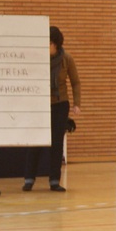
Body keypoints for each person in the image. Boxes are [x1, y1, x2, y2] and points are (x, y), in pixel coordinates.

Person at [23, 26, 81, 192]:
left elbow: (75, 82)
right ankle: (29, 179)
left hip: (60, 104)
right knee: (35, 142)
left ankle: (54, 181)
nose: (45, 46)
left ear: (56, 44)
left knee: (56, 143)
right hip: (39, 105)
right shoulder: (37, 59)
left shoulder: (66, 59)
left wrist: (77, 104)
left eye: (48, 43)